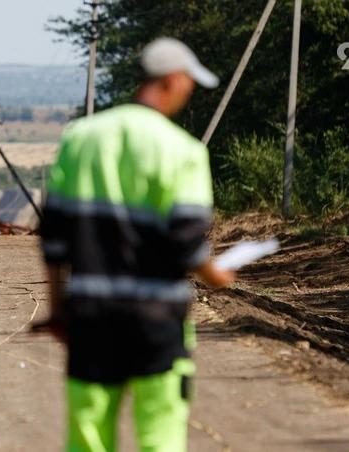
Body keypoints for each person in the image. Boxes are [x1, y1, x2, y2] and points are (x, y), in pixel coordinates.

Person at [36, 38, 235, 452]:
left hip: (92, 315)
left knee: (88, 437)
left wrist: (58, 310)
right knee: (160, 436)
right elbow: (186, 244)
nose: (189, 91)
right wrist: (216, 274)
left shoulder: (81, 138)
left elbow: (54, 237)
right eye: (189, 83)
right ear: (173, 80)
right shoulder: (184, 150)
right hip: (156, 319)